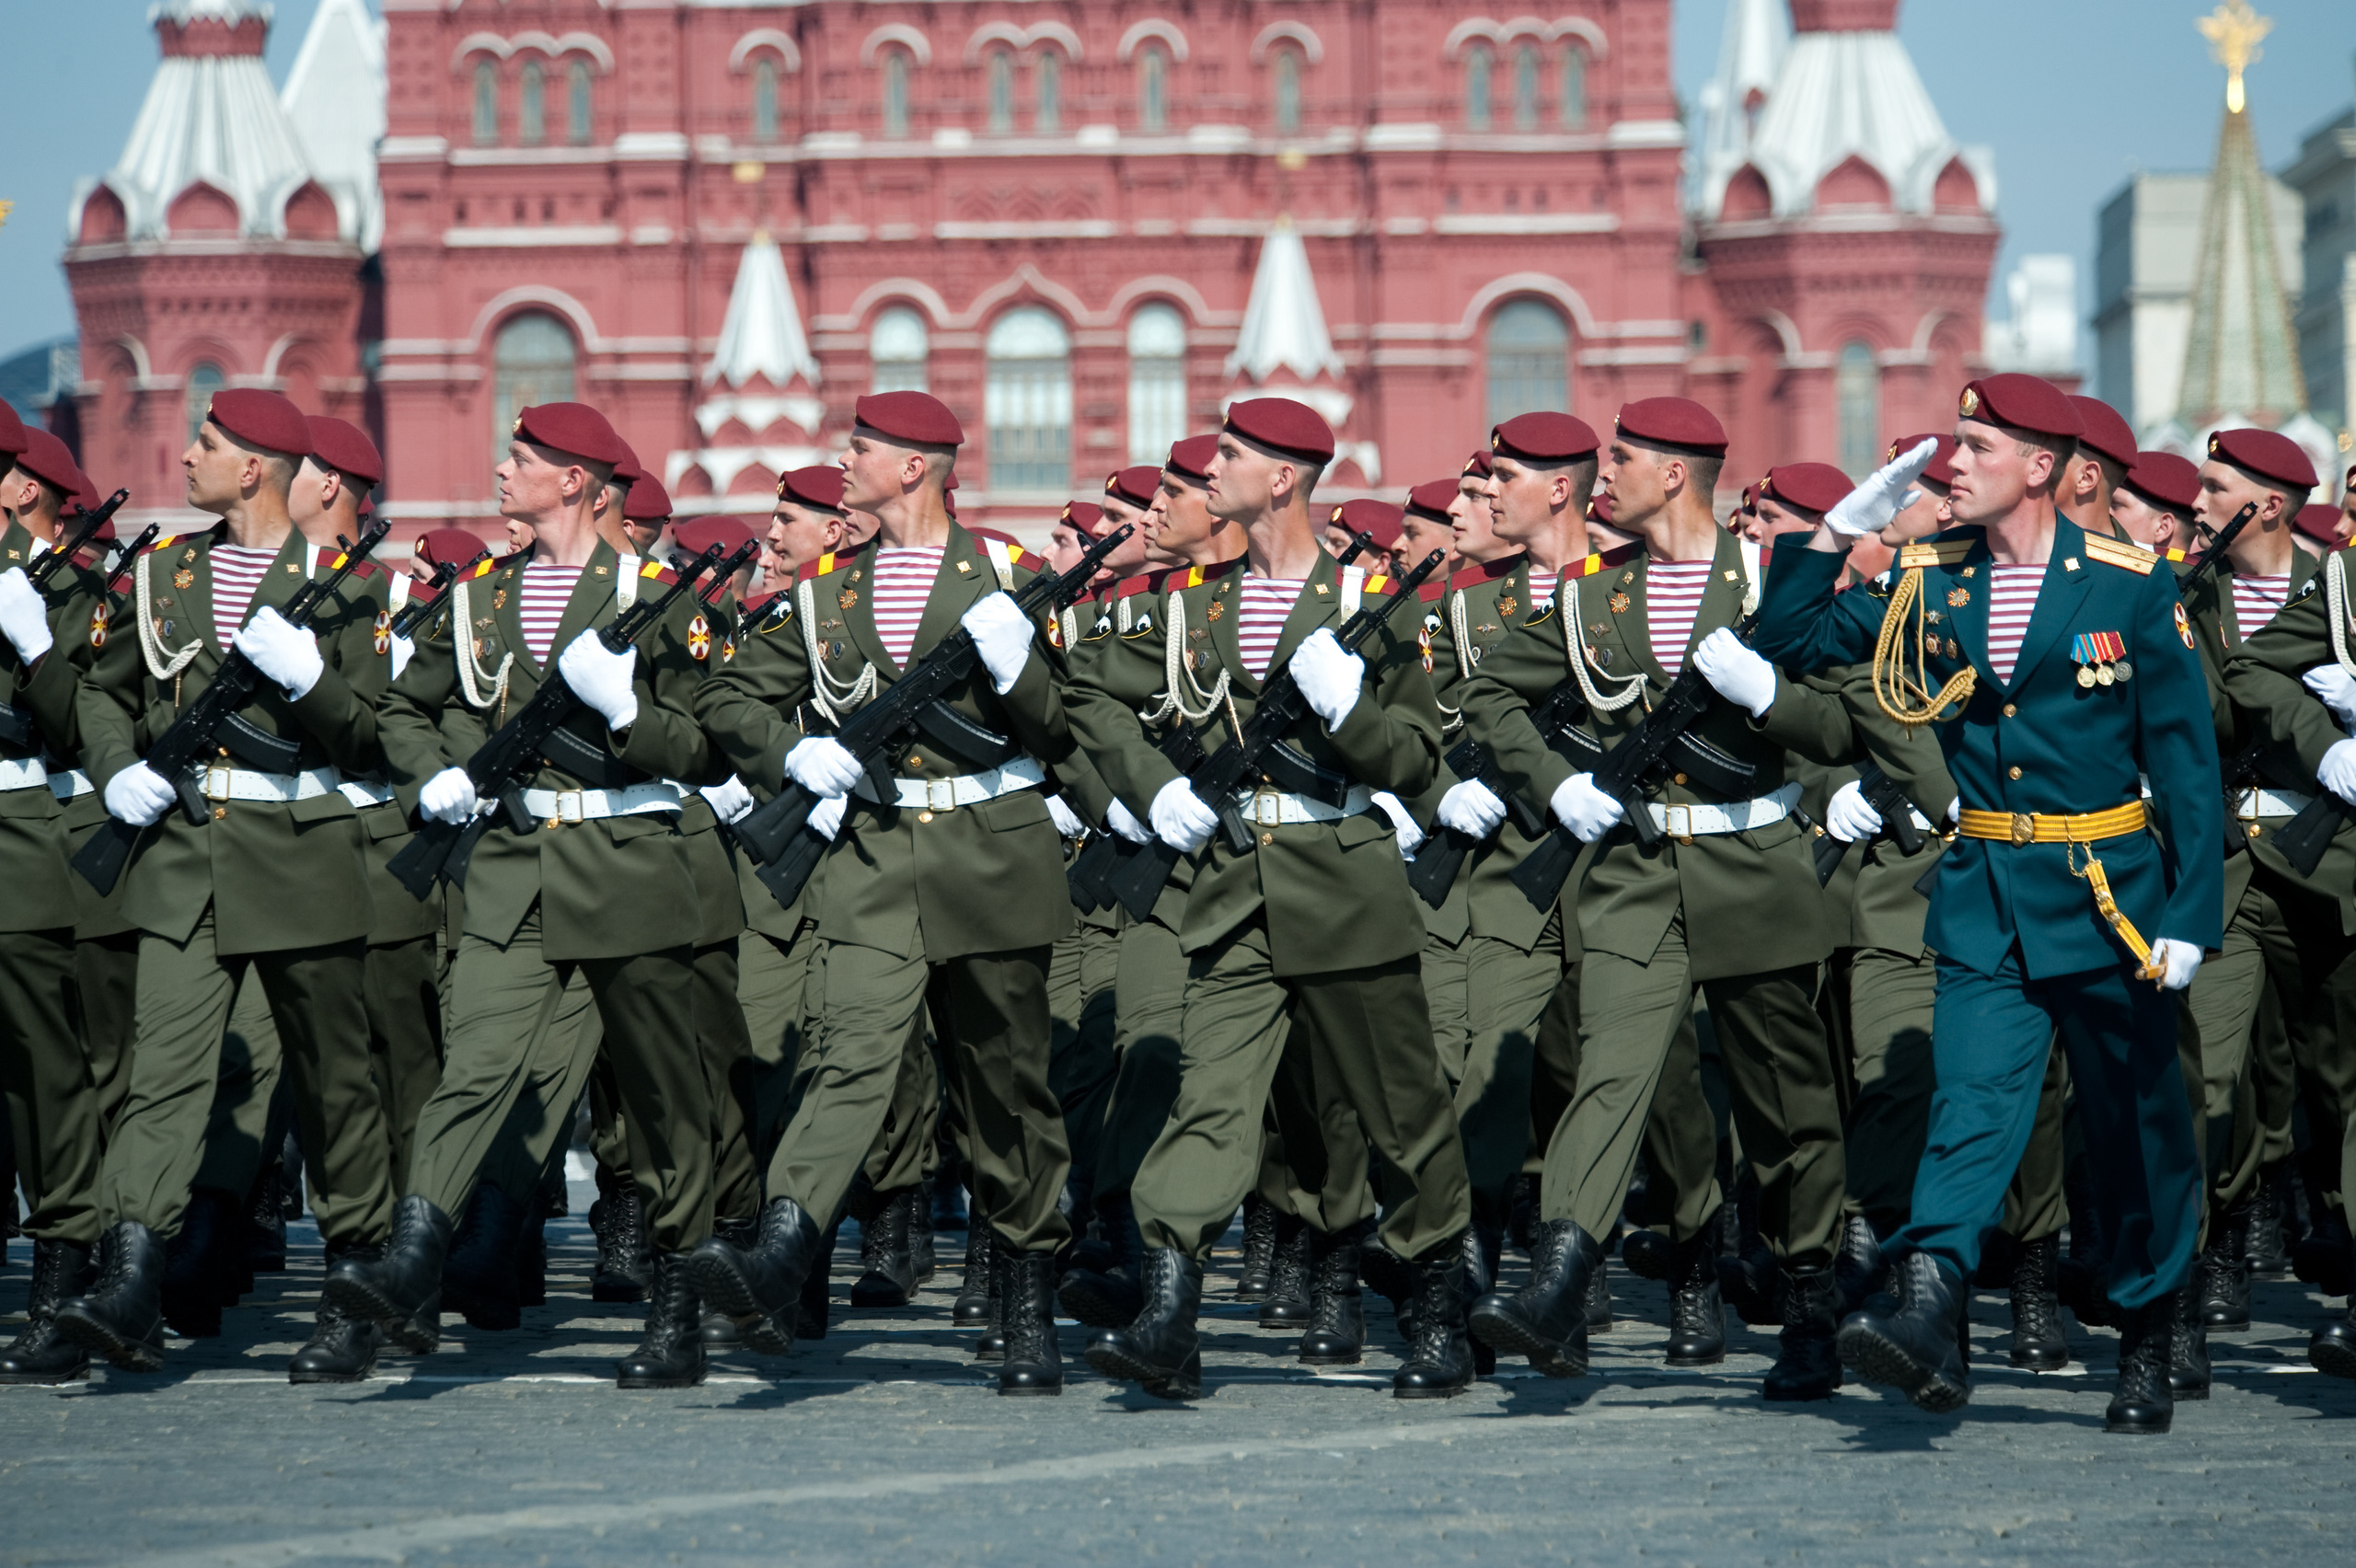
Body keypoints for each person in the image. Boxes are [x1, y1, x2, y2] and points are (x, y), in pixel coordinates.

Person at [1755, 373, 2220, 1435]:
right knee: (1967, 1111)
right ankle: (1927, 1311)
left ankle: (2147, 1334)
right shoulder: (1932, 579)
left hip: (2111, 905)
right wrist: (1833, 533)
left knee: (2136, 1128)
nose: (1948, 462)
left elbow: (2186, 769)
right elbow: (1789, 640)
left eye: (1975, 444)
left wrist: (2189, 916)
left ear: (2042, 466)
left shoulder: (2129, 584)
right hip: (1986, 898)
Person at [1066, 397, 1474, 1401]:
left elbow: (1418, 758)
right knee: (1210, 1100)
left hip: (1341, 878)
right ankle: (1169, 1310)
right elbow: (1082, 685)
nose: (1212, 472)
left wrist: (1351, 717)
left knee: (1397, 1109)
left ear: (1282, 478)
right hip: (1228, 887)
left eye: (1231, 457)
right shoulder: (1194, 604)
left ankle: (1435, 1308)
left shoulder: (1371, 601)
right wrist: (1150, 785)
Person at [1455, 398, 1854, 1402]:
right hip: (1635, 873)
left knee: (1784, 1104)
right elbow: (1492, 695)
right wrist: (1556, 783)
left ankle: (1808, 1294)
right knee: (1612, 1071)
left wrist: (1768, 696)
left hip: (1755, 868)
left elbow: (1846, 721)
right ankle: (1557, 1276)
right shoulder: (1596, 594)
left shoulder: (1772, 584)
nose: (1606, 473)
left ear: (1676, 474)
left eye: (1623, 458)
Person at [687, 391, 1080, 1397]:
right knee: (847, 1056)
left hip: (992, 851)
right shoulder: (825, 590)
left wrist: (1017, 666)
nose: (844, 459)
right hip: (873, 855)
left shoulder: (1008, 578)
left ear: (915, 467)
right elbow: (726, 693)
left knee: (1004, 1091)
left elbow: (1063, 727)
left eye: (861, 447)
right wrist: (795, 749)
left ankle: (1027, 1295)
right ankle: (783, 1246)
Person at [328, 401, 722, 1389]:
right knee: (475, 1074)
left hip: (628, 861)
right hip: (510, 866)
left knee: (665, 1101)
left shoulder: (659, 595)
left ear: (577, 483)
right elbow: (404, 709)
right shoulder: (480, 602)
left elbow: (707, 738)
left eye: (525, 461)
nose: (504, 473)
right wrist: (434, 775)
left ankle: (677, 1304)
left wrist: (632, 709)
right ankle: (413, 1261)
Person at [56, 391, 397, 1381]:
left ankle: (353, 1282)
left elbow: (372, 734)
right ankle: (129, 1278)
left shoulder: (345, 588)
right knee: (164, 1075)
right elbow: (104, 691)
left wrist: (309, 683)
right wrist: (117, 762)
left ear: (253, 467)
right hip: (181, 857)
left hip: (300, 849)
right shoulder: (164, 570)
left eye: (206, 444)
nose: (187, 453)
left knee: (333, 1083)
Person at [2170, 429, 2327, 1366]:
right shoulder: (2189, 595)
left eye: (2214, 487)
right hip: (2223, 859)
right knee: (2198, 1075)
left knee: (2337, 1087)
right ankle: (2186, 1282)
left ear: (2265, 505)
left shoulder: (2340, 593)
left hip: (2331, 856)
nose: (2195, 502)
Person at [0, 422, 113, 1384]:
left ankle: (63, 1279)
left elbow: (88, 722)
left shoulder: (68, 586)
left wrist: (34, 646)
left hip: (24, 832)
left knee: (45, 1074)